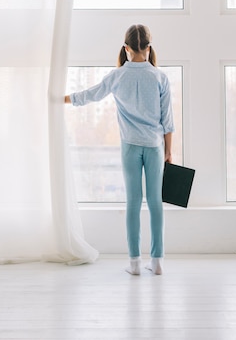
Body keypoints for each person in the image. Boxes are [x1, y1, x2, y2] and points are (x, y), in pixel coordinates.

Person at [64, 24, 174, 276]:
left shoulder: (117, 76)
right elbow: (168, 121)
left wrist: (63, 99)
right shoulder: (160, 77)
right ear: (149, 47)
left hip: (130, 147)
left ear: (126, 48)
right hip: (156, 146)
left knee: (133, 203)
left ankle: (134, 263)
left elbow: (90, 95)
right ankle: (157, 262)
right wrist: (169, 151)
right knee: (156, 203)